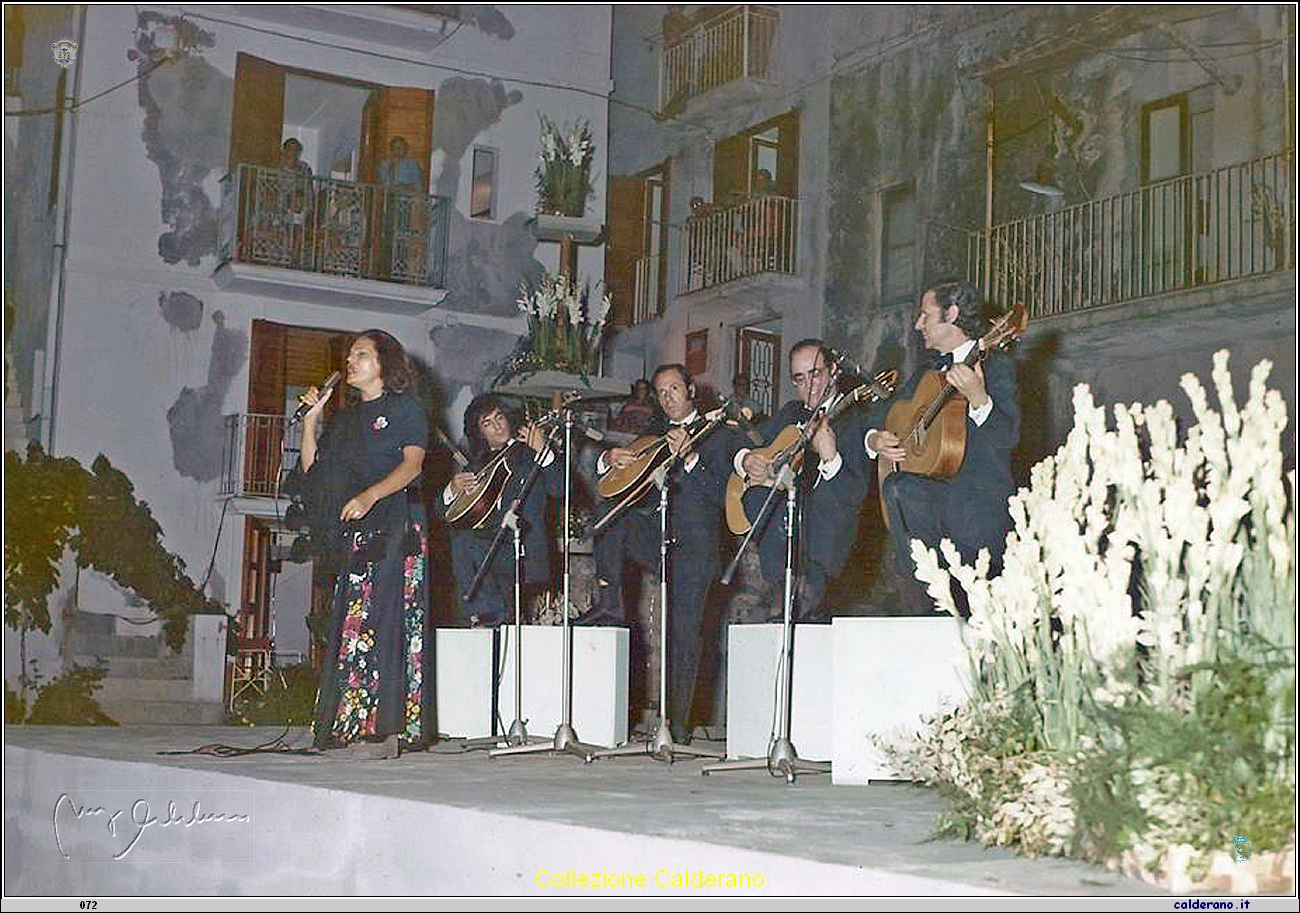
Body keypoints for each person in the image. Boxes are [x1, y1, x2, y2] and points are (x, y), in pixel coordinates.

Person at [585, 364, 735, 743]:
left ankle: (677, 729)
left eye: (674, 389)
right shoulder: (653, 432)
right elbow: (623, 474)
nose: (667, 397)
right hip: (659, 536)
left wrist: (690, 459)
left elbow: (723, 495)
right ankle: (610, 600)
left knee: (683, 634)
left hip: (697, 546)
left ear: (690, 390)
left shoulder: (718, 434)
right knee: (609, 514)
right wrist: (609, 460)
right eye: (661, 391)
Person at [298, 329, 429, 759]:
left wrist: (371, 495)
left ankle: (387, 732)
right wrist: (311, 421)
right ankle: (352, 723)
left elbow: (413, 466)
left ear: (385, 364)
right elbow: (315, 472)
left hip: (397, 523)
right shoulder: (347, 419)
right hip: (362, 528)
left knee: (388, 620)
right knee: (355, 622)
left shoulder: (405, 408)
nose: (350, 361)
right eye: (350, 355)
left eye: (361, 354)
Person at [865, 281, 1020, 611]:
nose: (918, 324)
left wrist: (980, 399)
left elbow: (1009, 438)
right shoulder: (927, 372)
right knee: (896, 484)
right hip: (934, 511)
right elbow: (882, 414)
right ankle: (921, 597)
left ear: (951, 314)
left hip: (977, 515)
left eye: (925, 315)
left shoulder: (997, 365)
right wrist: (876, 438)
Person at [733, 339, 871, 623]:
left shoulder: (855, 417)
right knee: (756, 496)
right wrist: (746, 460)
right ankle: (782, 588)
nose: (809, 385)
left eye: (816, 373)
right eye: (800, 378)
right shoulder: (791, 413)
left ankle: (802, 595)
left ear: (834, 371)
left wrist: (830, 456)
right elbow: (735, 441)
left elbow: (854, 493)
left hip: (830, 533)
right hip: (791, 526)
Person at [443, 394, 557, 628]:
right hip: (486, 552)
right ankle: (482, 618)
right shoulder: (477, 466)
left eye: (500, 417)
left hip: (519, 549)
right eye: (487, 423)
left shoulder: (529, 453)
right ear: (479, 433)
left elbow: (562, 488)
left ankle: (489, 617)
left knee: (471, 543)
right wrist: (453, 488)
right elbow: (441, 510)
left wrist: (543, 450)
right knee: (463, 540)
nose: (497, 426)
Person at [377, 136, 426, 280]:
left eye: (401, 147)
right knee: (388, 234)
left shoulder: (412, 164)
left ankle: (401, 268)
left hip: (406, 205)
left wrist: (406, 188)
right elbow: (385, 184)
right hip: (391, 203)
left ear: (405, 149)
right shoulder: (385, 164)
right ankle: (385, 269)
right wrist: (392, 169)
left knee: (403, 235)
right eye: (396, 148)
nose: (399, 150)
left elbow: (418, 187)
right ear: (392, 149)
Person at [277, 137, 313, 265]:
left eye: (296, 150)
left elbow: (309, 191)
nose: (294, 152)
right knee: (286, 229)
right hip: (282, 209)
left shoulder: (304, 169)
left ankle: (295, 258)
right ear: (285, 151)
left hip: (300, 208)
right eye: (291, 149)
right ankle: (285, 256)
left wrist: (307, 208)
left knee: (298, 229)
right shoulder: (278, 169)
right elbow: (275, 189)